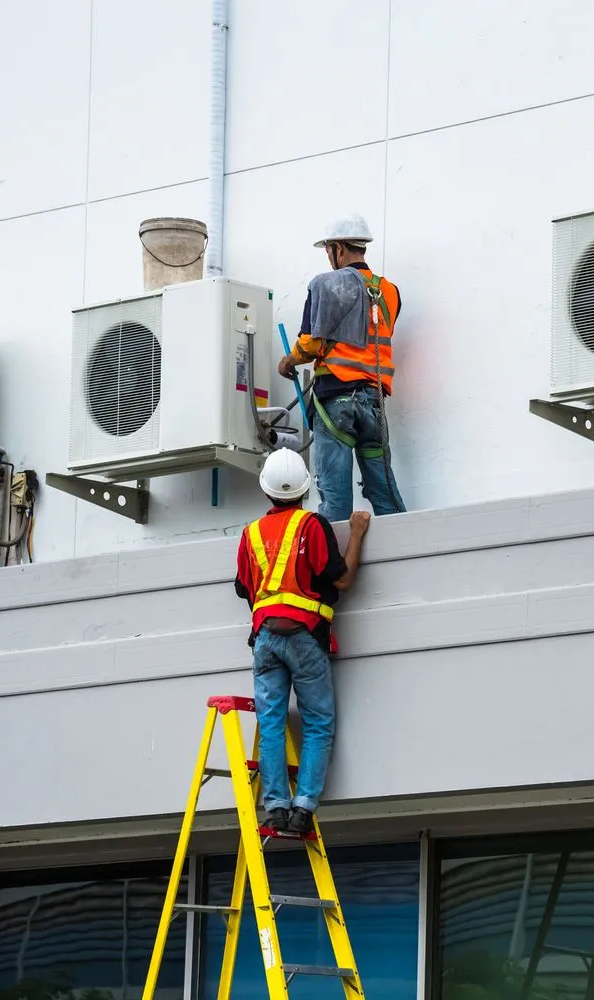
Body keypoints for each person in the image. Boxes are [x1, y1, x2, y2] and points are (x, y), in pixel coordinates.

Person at [234, 447, 371, 834]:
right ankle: (304, 808)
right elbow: (342, 579)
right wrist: (356, 534)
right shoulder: (311, 525)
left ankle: (276, 807)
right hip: (304, 636)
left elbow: (244, 587)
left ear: (266, 490)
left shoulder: (250, 534)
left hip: (265, 638)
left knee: (271, 723)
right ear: (305, 490)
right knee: (318, 722)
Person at [278, 213, 406, 523]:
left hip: (336, 401)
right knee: (384, 490)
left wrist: (288, 361)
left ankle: (332, 554)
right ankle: (407, 541)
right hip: (374, 405)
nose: (328, 256)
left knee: (334, 497)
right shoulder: (389, 292)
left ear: (338, 248)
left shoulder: (325, 284)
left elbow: (311, 344)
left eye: (328, 249)